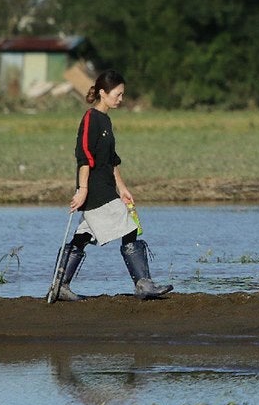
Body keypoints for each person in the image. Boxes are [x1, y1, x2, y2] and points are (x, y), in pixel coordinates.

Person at [49, 68, 172, 301]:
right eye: (118, 94)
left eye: (123, 94)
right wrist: (82, 190)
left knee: (83, 236)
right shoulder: (90, 119)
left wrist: (123, 188)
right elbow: (84, 155)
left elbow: (111, 159)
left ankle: (60, 285)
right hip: (95, 188)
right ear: (103, 93)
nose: (121, 99)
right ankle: (143, 284)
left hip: (106, 185)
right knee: (130, 227)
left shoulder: (105, 120)